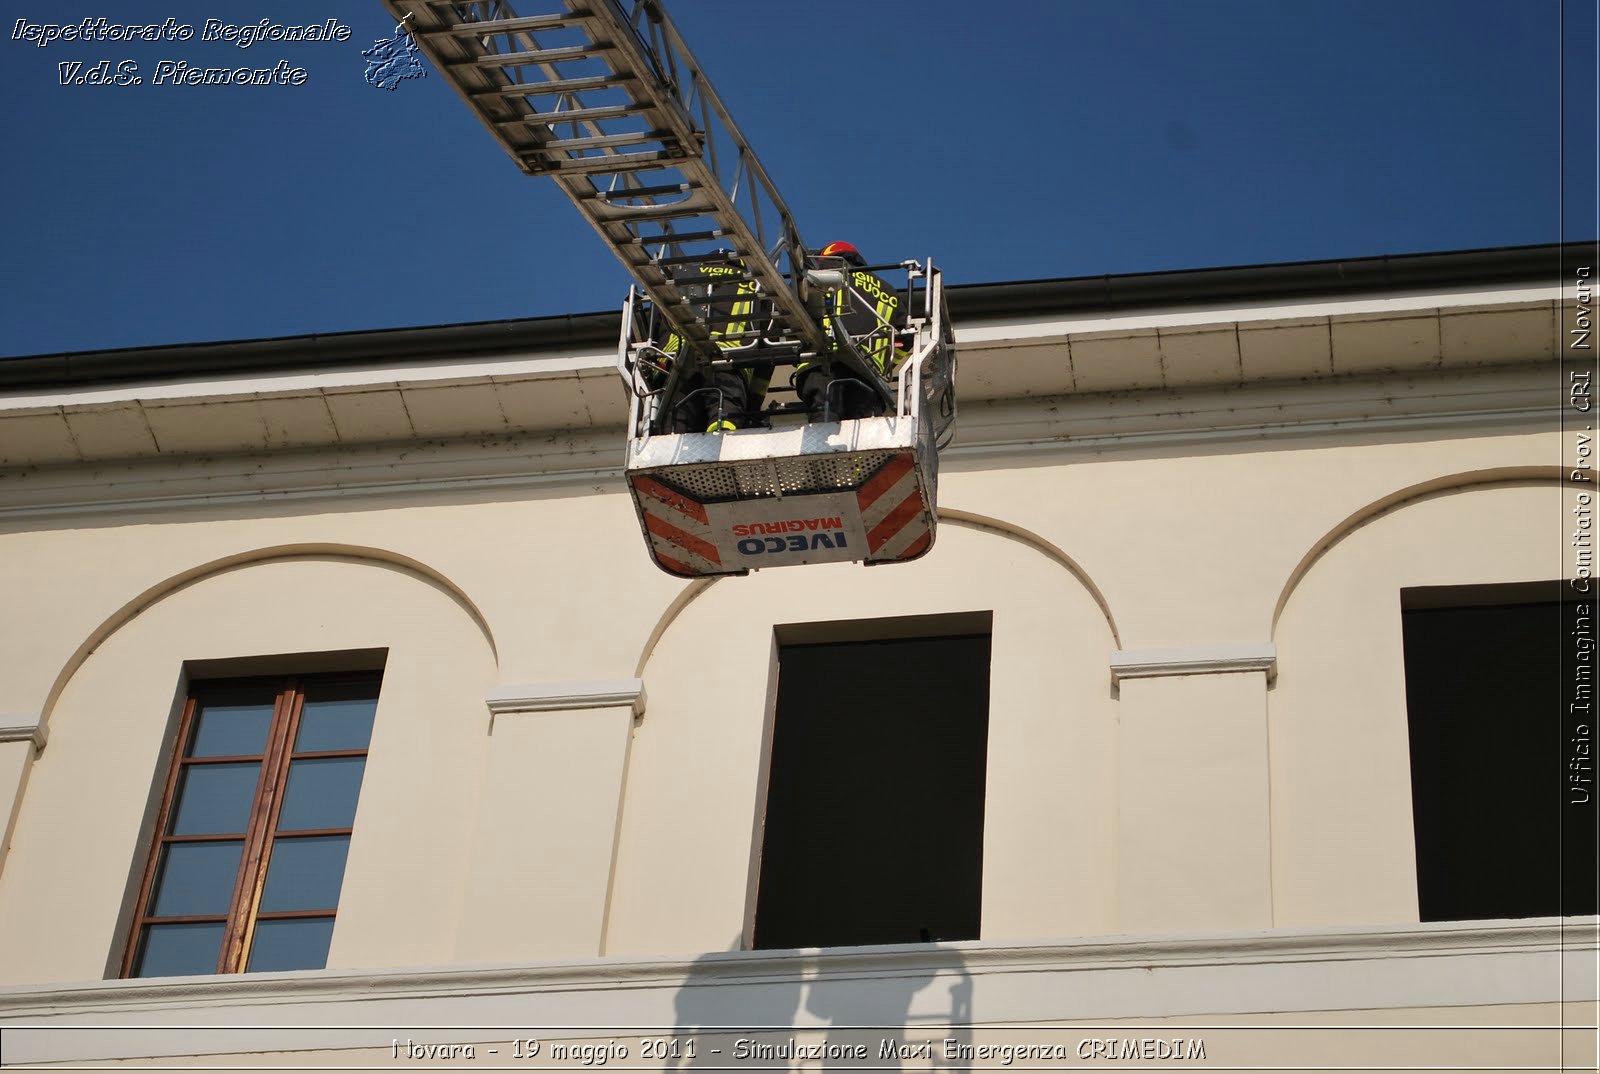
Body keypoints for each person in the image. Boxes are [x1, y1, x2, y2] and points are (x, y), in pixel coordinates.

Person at [794, 241, 908, 422]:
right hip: (869, 374)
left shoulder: (826, 276)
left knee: (824, 423)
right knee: (860, 432)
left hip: (825, 363)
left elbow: (797, 313)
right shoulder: (888, 291)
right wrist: (887, 363)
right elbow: (905, 338)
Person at [657, 257, 771, 433]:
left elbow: (659, 327)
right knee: (725, 417)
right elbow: (768, 354)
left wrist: (656, 373)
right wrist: (752, 404)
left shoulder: (680, 281)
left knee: (676, 423)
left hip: (679, 360)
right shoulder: (756, 285)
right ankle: (724, 443)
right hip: (730, 356)